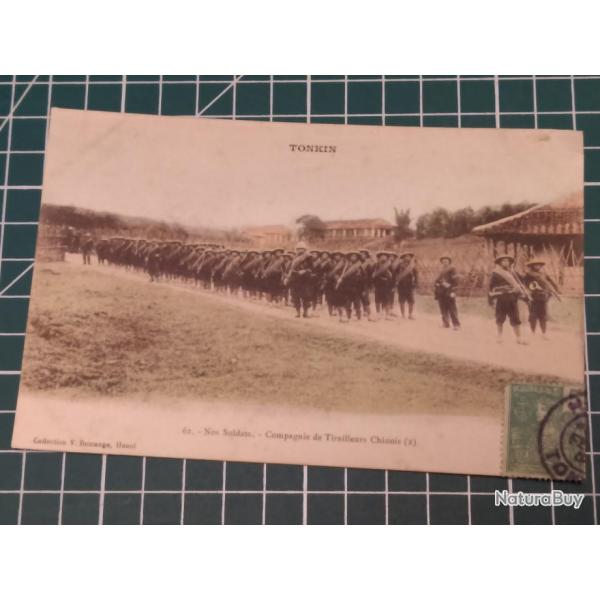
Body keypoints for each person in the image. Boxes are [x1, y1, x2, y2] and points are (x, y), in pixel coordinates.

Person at [488, 254, 530, 344]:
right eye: (503, 261)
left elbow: (522, 280)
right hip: (501, 299)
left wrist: (526, 273)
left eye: (507, 261)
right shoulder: (496, 273)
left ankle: (519, 338)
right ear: (499, 263)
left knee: (516, 319)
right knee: (500, 319)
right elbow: (490, 287)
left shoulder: (513, 273)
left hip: (512, 299)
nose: (506, 263)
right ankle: (499, 337)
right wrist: (491, 300)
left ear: (510, 263)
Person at [521, 259, 561, 339]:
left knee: (543, 315)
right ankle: (533, 332)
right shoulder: (528, 275)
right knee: (533, 315)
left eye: (539, 265)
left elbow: (551, 282)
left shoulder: (543, 274)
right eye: (536, 265)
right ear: (532, 266)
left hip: (543, 297)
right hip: (533, 297)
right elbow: (525, 285)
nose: (538, 266)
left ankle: (544, 333)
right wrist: (527, 294)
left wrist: (556, 290)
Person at [433, 255, 460, 330]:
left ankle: (456, 324)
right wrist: (437, 284)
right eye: (443, 261)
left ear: (449, 262)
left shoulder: (453, 269)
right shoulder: (441, 270)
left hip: (449, 291)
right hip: (441, 292)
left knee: (452, 308)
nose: (444, 262)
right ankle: (445, 323)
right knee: (443, 308)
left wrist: (454, 291)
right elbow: (437, 280)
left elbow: (456, 281)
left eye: (446, 261)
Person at [372, 252, 395, 320]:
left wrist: (392, 285)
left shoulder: (389, 266)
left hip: (386, 285)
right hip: (378, 285)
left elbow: (393, 276)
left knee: (386, 300)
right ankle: (378, 313)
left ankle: (387, 314)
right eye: (382, 256)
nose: (383, 257)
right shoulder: (375, 266)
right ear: (379, 258)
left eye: (385, 256)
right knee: (377, 300)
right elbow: (372, 276)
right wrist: (373, 286)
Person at [396, 252, 418, 319]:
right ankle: (403, 315)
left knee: (411, 301)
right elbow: (395, 274)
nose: (407, 258)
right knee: (401, 301)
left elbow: (416, 275)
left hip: (409, 285)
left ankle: (410, 314)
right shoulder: (399, 265)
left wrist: (415, 283)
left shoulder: (412, 266)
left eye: (408, 256)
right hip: (401, 285)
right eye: (406, 256)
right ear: (403, 258)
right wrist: (396, 282)